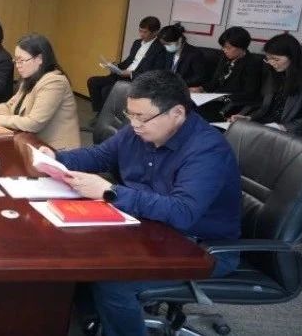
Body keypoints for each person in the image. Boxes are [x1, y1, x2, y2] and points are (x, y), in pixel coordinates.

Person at [42, 70, 241, 336]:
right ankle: (91, 319)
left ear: (177, 113)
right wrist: (56, 158)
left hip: (199, 246)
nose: (134, 124)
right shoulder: (139, 131)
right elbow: (100, 155)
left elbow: (183, 212)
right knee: (75, 249)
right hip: (148, 228)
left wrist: (110, 192)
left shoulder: (206, 149)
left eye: (142, 117)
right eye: (131, 115)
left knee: (113, 279)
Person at [0, 34, 80, 149]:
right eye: (16, 60)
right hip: (31, 142)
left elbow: (34, 123)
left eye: (22, 60)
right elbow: (10, 107)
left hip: (57, 151)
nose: (18, 65)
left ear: (39, 59)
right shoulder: (30, 78)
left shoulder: (54, 82)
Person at [230, 33, 302, 135]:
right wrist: (248, 118)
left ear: (293, 57)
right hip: (265, 127)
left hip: (288, 132)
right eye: (268, 59)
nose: (271, 63)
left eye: (276, 59)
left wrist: (284, 127)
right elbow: (266, 107)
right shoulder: (275, 73)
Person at [87, 16, 166, 114]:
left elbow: (153, 73)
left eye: (145, 32)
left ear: (155, 32)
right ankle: (99, 113)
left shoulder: (160, 49)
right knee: (93, 82)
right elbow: (129, 61)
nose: (141, 34)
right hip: (122, 75)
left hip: (136, 79)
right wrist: (115, 66)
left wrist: (131, 74)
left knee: (108, 90)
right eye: (140, 31)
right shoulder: (137, 43)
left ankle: (105, 115)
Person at [193, 26, 263, 122]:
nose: (224, 50)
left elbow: (249, 94)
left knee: (197, 115)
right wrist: (201, 88)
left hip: (233, 105)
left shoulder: (252, 64)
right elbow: (214, 83)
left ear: (241, 47)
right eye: (223, 47)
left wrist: (222, 98)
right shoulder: (224, 58)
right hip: (215, 100)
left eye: (228, 47)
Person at [158, 23, 208, 87]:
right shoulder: (167, 52)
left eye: (168, 44)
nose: (166, 47)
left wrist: (179, 84)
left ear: (180, 40)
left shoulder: (195, 54)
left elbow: (199, 77)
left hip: (184, 86)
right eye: (164, 44)